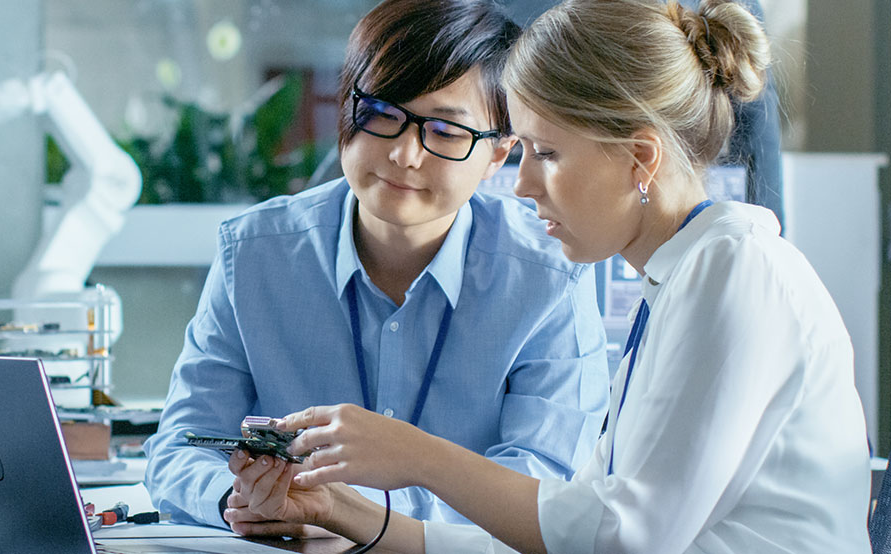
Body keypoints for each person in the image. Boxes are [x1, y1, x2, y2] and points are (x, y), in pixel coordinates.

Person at [223, 0, 873, 552]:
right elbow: (570, 523)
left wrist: (416, 454)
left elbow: (623, 537)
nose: (524, 184)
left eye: (548, 153)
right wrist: (341, 511)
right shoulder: (680, 279)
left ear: (639, 159)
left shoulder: (735, 273)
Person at [142, 0, 610, 531]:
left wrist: (357, 516)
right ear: (347, 105)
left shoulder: (549, 275)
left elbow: (545, 477)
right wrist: (241, 497)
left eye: (446, 132)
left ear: (498, 155)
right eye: (383, 113)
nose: (404, 155)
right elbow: (180, 445)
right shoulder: (253, 253)